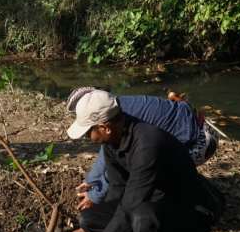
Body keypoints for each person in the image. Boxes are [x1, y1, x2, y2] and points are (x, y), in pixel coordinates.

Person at [56, 90, 225, 232]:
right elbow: (118, 190)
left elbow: (130, 207)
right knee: (90, 219)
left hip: (193, 215)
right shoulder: (113, 142)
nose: (88, 138)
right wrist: (102, 229)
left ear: (104, 127)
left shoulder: (147, 144)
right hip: (156, 206)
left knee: (144, 216)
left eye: (89, 133)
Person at [67, 87, 220, 210]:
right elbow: (106, 151)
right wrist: (91, 180)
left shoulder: (117, 116)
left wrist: (95, 196)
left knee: (149, 177)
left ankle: (204, 201)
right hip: (194, 128)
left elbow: (120, 165)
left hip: (201, 139)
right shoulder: (113, 109)